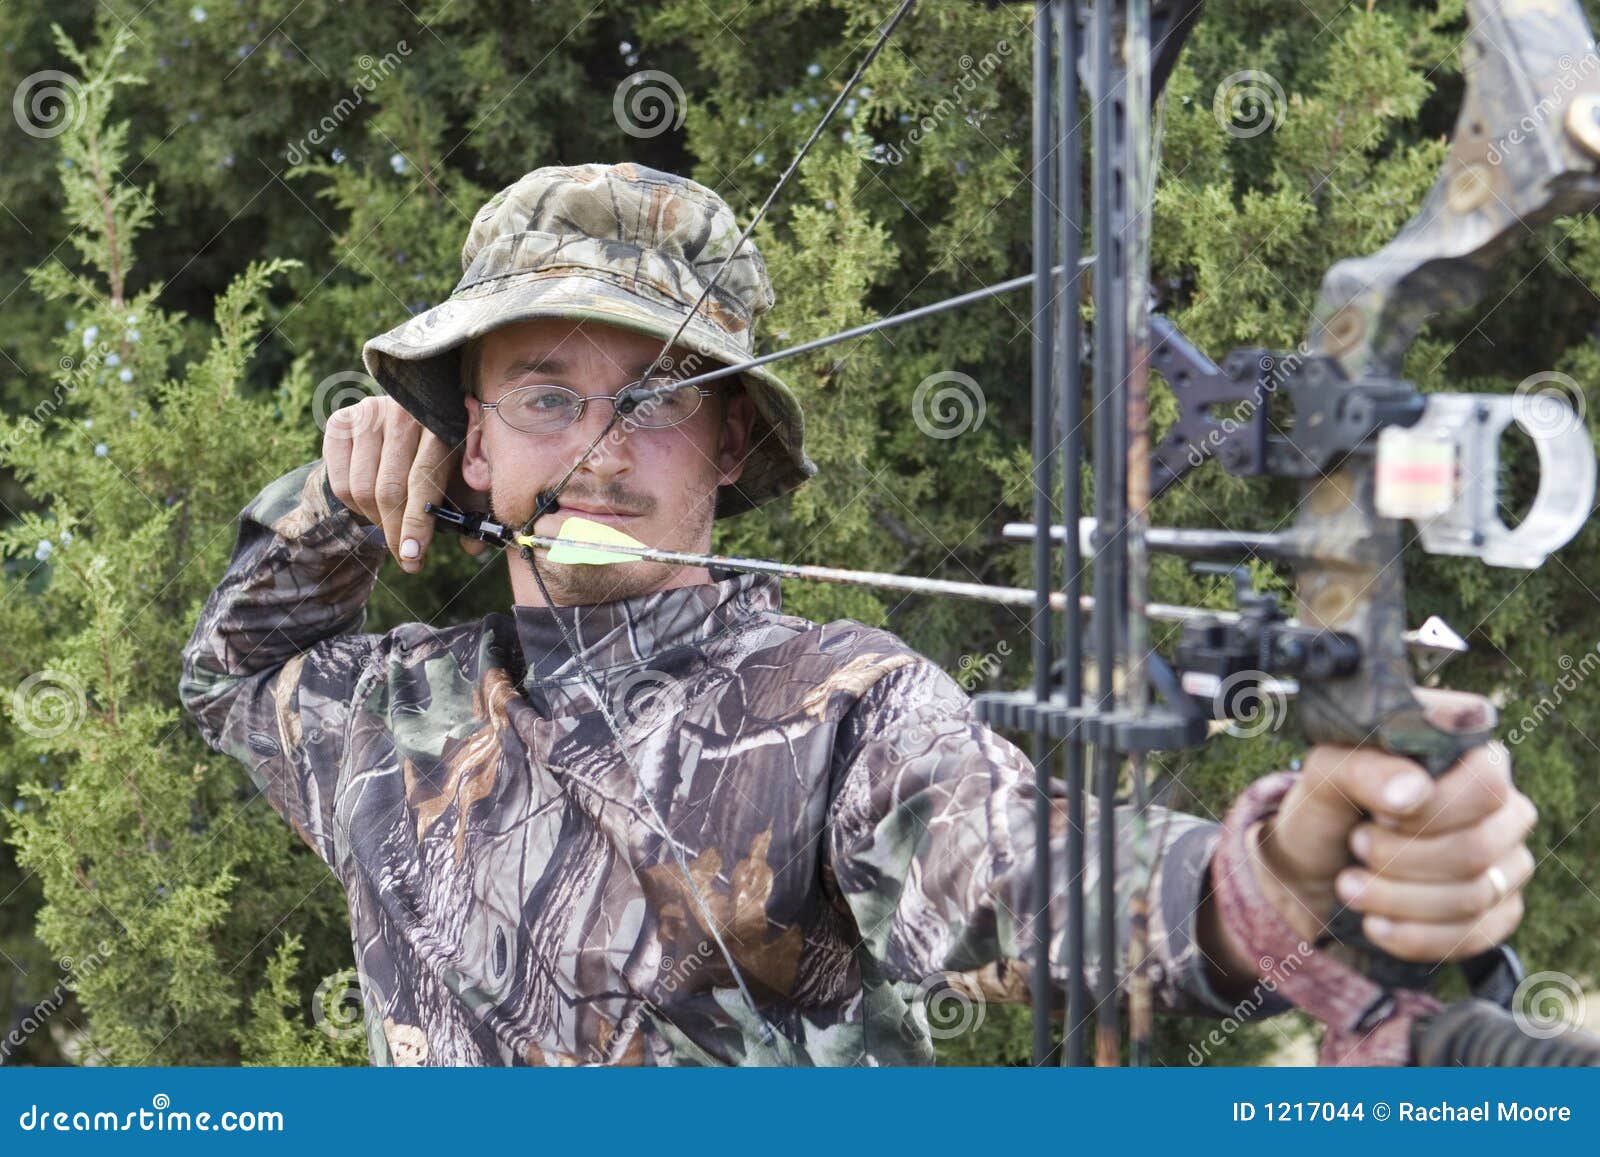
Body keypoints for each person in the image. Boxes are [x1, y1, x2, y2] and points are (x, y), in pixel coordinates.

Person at [179, 163, 1536, 1066]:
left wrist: (1285, 869)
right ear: (469, 446)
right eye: (546, 393)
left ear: (728, 445)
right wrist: (337, 499)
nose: (597, 448)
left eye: (655, 397)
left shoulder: (839, 705)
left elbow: (1018, 877)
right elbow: (228, 671)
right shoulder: (384, 717)